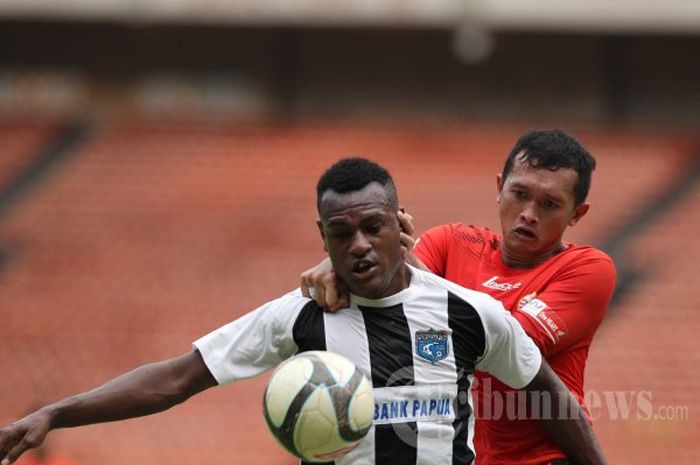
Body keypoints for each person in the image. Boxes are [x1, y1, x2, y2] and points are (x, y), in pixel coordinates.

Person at [0, 157, 608, 465]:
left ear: (401, 226)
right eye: (342, 235)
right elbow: (178, 377)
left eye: (374, 227)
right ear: (323, 239)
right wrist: (56, 413)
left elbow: (551, 398)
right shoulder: (300, 316)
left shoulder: (470, 314)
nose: (360, 245)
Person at [300, 131, 616, 465]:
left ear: (577, 214)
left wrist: (406, 264)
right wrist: (343, 265)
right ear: (499, 188)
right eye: (519, 193)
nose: (528, 213)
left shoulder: (587, 269)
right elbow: (389, 297)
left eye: (549, 204)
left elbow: (501, 347)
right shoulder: (450, 243)